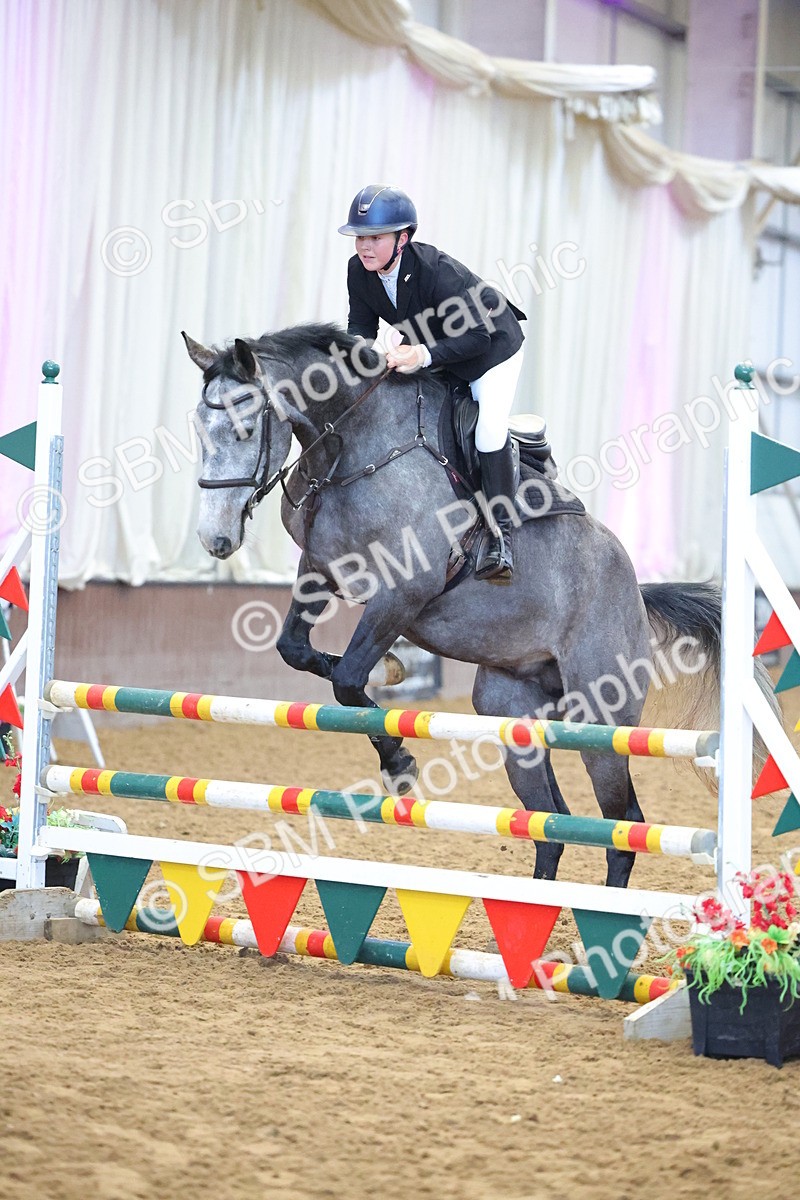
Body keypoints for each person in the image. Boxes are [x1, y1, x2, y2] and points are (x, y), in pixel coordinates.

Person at [339, 184, 526, 583]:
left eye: (375, 237)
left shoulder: (437, 271)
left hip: (491, 351)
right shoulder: (360, 271)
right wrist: (354, 361)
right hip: (436, 345)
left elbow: (478, 338)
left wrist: (420, 355)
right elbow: (360, 326)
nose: (364, 246)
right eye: (360, 237)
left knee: (489, 431)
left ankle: (501, 535)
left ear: (403, 238)